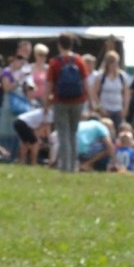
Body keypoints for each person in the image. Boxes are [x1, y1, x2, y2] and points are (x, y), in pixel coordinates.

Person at [47, 33, 89, 173]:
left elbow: (49, 84)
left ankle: (65, 167)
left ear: (59, 44)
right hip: (78, 101)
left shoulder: (55, 62)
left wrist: (47, 102)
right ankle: (73, 166)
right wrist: (88, 99)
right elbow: (85, 82)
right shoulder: (79, 60)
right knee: (73, 133)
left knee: (63, 134)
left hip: (60, 101)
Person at [89, 50, 130, 138]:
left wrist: (125, 108)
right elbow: (94, 94)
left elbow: (126, 94)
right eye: (111, 63)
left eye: (115, 63)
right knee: (105, 133)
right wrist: (100, 108)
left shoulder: (122, 76)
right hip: (105, 109)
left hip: (118, 110)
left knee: (118, 132)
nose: (113, 66)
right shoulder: (101, 76)